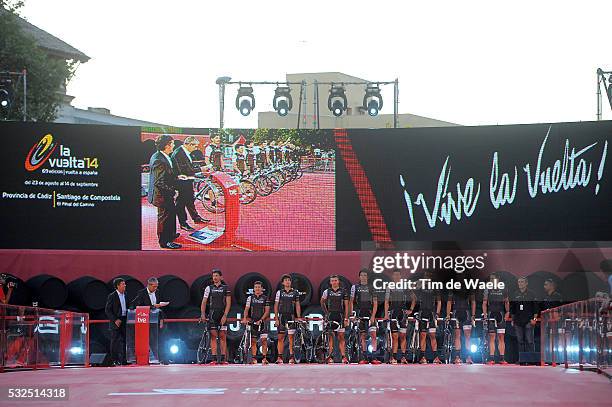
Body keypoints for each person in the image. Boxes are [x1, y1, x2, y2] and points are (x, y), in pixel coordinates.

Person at [147, 135, 181, 249]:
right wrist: (173, 191)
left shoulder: (162, 156)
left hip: (164, 194)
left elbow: (166, 176)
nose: (174, 146)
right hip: (162, 195)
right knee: (165, 218)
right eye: (172, 144)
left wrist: (177, 177)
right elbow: (159, 182)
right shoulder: (158, 159)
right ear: (167, 145)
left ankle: (170, 235)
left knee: (170, 215)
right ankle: (164, 241)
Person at [171, 136, 209, 231]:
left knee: (190, 200)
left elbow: (189, 166)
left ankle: (195, 217)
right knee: (181, 203)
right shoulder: (179, 153)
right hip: (181, 182)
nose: (196, 148)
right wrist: (200, 169)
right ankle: (183, 223)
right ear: (188, 144)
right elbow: (184, 170)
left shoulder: (185, 152)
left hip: (187, 181)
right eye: (195, 146)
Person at [384, 269, 416, 364]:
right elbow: (386, 301)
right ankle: (393, 357)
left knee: (403, 336)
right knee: (394, 336)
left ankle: (403, 357)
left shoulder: (405, 286)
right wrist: (386, 314)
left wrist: (411, 310)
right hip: (393, 313)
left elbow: (414, 298)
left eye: (398, 275)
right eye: (395, 275)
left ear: (400, 276)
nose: (397, 276)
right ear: (393, 276)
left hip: (403, 314)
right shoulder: (389, 286)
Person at [200, 269, 231, 364]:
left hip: (222, 314)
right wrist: (203, 314)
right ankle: (213, 359)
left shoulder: (226, 288)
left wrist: (225, 315)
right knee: (213, 337)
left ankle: (222, 359)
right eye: (213, 276)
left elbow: (228, 303)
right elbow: (204, 302)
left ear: (221, 277)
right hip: (212, 315)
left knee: (222, 337)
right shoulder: (208, 288)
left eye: (217, 275)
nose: (215, 277)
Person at [350, 269, 380, 364]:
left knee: (373, 336)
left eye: (365, 275)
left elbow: (375, 303)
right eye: (361, 275)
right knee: (362, 336)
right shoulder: (355, 287)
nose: (363, 277)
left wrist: (373, 316)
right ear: (359, 277)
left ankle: (374, 357)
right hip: (360, 315)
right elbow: (351, 302)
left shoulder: (371, 288)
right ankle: (364, 358)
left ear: (367, 277)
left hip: (370, 315)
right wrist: (352, 314)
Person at [321, 275, 350, 364]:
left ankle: (343, 357)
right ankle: (330, 357)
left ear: (338, 281)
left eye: (335, 280)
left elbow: (346, 306)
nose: (334, 282)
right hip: (331, 316)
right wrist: (326, 313)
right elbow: (322, 302)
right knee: (331, 338)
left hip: (340, 316)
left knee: (341, 337)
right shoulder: (327, 291)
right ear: (330, 282)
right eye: (332, 281)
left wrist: (346, 318)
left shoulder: (343, 292)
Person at [482, 273, 510, 365]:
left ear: (498, 279)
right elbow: (484, 303)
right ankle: (491, 358)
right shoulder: (487, 289)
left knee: (501, 337)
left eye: (493, 278)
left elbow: (506, 302)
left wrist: (508, 312)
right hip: (491, 314)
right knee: (492, 337)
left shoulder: (503, 288)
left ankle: (502, 358)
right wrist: (485, 315)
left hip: (501, 314)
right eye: (490, 279)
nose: (491, 280)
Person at [415, 270, 442, 364]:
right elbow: (412, 291)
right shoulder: (420, 284)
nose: (428, 277)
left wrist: (437, 314)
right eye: (426, 275)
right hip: (423, 312)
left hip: (432, 313)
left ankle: (436, 357)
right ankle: (422, 357)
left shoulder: (435, 286)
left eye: (429, 275)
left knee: (432, 335)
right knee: (423, 335)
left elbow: (439, 301)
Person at [274, 274, 301, 364]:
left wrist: (298, 317)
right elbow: (276, 306)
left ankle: (291, 357)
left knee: (291, 338)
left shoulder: (295, 292)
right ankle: (279, 357)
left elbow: (297, 305)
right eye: (285, 280)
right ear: (283, 283)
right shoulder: (279, 292)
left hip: (291, 316)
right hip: (282, 316)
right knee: (280, 338)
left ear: (291, 282)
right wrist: (276, 318)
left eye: (289, 280)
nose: (287, 281)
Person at [241, 281, 270, 365]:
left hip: (263, 322)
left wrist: (261, 320)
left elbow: (267, 311)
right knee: (253, 341)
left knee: (264, 341)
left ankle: (264, 359)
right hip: (253, 322)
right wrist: (245, 318)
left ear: (262, 289)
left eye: (259, 287)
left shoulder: (265, 298)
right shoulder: (250, 298)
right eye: (256, 287)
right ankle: (254, 358)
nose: (257, 288)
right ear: (254, 289)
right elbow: (246, 309)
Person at [446, 283, 476, 364]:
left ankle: (468, 357)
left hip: (466, 313)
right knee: (457, 336)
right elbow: (449, 302)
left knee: (468, 337)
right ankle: (457, 357)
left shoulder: (469, 286)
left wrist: (473, 315)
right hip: (456, 313)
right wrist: (448, 314)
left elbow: (473, 301)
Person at [510, 277, 538, 361]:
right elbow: (513, 309)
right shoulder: (515, 294)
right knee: (520, 341)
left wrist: (535, 319)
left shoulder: (532, 294)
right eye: (519, 282)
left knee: (529, 341)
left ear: (526, 283)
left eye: (522, 282)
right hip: (518, 321)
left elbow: (536, 308)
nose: (520, 284)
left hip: (529, 320)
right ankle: (522, 359)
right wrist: (512, 320)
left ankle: (531, 359)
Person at [105, 278, 128, 366]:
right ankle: (114, 360)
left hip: (125, 320)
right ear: (118, 286)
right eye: (123, 284)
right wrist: (115, 319)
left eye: (124, 284)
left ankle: (124, 360)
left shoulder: (126, 294)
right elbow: (107, 310)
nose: (125, 285)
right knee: (115, 341)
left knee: (125, 340)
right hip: (116, 321)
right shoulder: (112, 296)